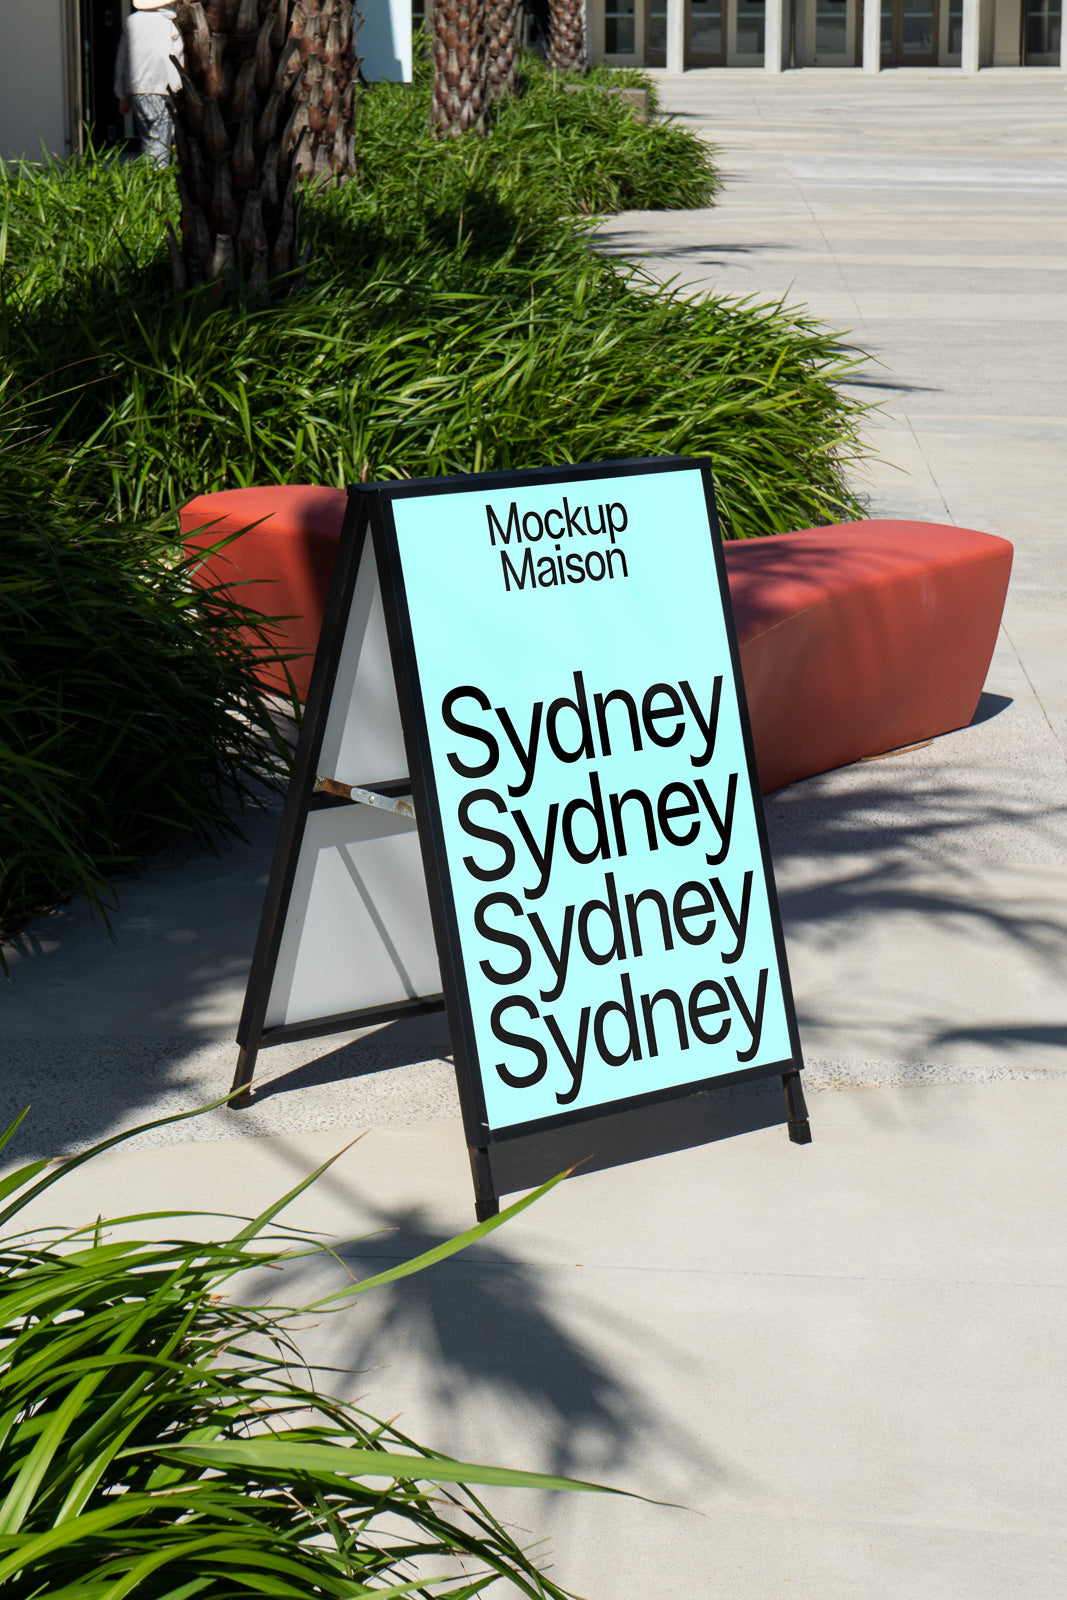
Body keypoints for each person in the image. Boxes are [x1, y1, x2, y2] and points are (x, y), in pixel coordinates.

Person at [114, 0, 184, 168]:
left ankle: (147, 178)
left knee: (148, 137)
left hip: (136, 89)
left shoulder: (131, 21)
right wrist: (180, 90)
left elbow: (122, 59)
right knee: (161, 140)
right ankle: (157, 181)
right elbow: (179, 58)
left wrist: (121, 94)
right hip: (163, 87)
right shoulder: (169, 24)